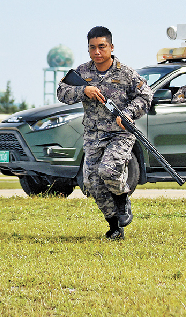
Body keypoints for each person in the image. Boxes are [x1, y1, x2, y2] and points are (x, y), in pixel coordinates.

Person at [57, 26, 152, 240]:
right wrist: (84, 90)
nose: (97, 52)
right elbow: (61, 91)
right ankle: (114, 226)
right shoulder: (82, 72)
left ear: (111, 47)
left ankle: (122, 197)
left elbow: (145, 96)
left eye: (102, 47)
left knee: (108, 170)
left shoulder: (125, 73)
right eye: (92, 48)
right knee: (91, 182)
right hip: (93, 134)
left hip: (120, 133)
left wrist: (128, 113)